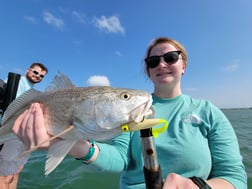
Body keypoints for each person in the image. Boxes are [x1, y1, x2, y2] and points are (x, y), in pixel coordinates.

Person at [10, 37, 247, 189]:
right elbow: (121, 159)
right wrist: (71, 144)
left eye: (170, 58)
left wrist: (199, 187)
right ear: (147, 69)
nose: (162, 64)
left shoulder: (208, 111)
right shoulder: (128, 114)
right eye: (153, 61)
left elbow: (235, 177)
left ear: (183, 64)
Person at [0, 62, 48, 189]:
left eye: (41, 76)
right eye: (35, 72)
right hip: (11, 133)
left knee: (16, 171)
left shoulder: (34, 91)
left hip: (25, 137)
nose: (38, 76)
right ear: (28, 70)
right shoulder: (16, 83)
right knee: (4, 175)